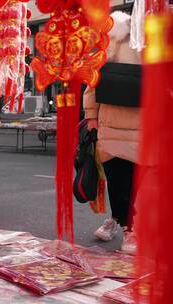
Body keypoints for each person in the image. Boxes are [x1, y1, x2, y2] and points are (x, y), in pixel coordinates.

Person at [84, 11, 141, 254]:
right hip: (111, 124)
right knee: (118, 180)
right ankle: (123, 222)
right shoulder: (106, 44)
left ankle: (126, 224)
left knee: (131, 182)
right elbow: (92, 82)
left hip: (140, 125)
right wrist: (91, 117)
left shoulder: (152, 44)